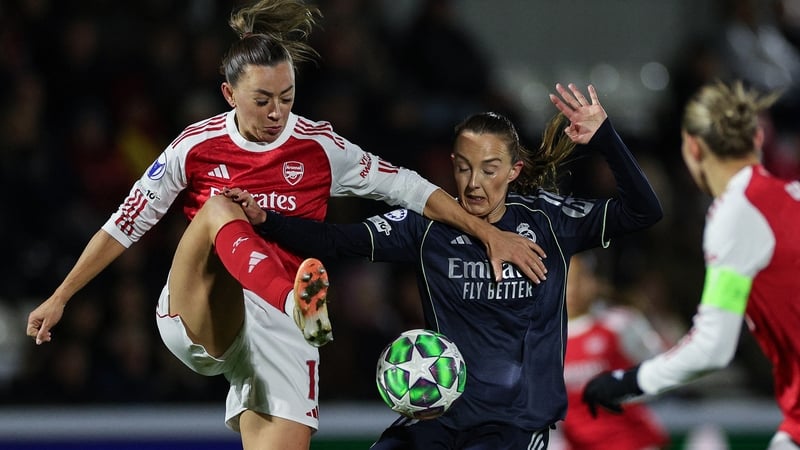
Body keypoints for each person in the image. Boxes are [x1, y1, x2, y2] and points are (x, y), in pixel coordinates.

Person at [24, 1, 547, 449]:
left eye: (287, 97)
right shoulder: (195, 146)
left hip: (284, 334)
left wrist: (489, 233)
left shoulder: (320, 147)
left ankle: (294, 306)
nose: (278, 112)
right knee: (220, 209)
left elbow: (410, 188)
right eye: (263, 99)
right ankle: (293, 298)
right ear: (230, 95)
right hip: (206, 309)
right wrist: (61, 296)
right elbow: (124, 224)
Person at [228, 83, 664, 449]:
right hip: (439, 413)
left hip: (514, 426)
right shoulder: (427, 227)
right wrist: (268, 220)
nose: (473, 183)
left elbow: (645, 212)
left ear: (514, 170)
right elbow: (339, 241)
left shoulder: (549, 221)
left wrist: (606, 137)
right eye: (463, 168)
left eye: (489, 170)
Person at [581, 80, 800, 450]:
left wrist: (629, 381)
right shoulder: (792, 195)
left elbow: (713, 346)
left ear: (693, 148)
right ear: (758, 142)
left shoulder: (735, 215)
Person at [558, 252, 669, 450]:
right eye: (565, 279)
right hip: (576, 444)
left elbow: (662, 369)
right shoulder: (542, 337)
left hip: (631, 441)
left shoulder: (621, 323)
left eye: (580, 277)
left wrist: (623, 392)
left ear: (595, 282)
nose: (573, 288)